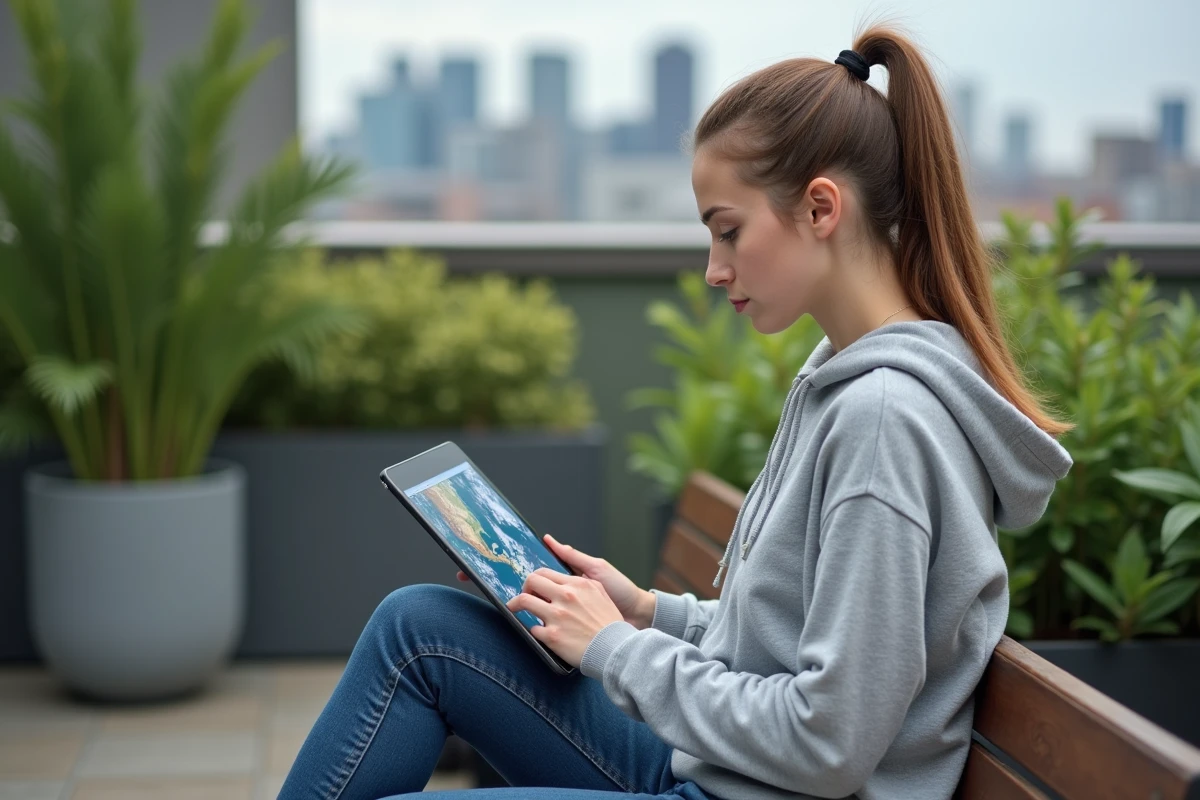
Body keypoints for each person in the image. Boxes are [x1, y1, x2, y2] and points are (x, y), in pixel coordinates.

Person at [278, 20, 1074, 800]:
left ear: (821, 209)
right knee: (418, 626)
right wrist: (644, 611)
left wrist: (616, 649)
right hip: (716, 771)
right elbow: (783, 651)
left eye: (728, 231)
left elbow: (829, 742)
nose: (713, 269)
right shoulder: (845, 378)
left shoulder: (885, 422)